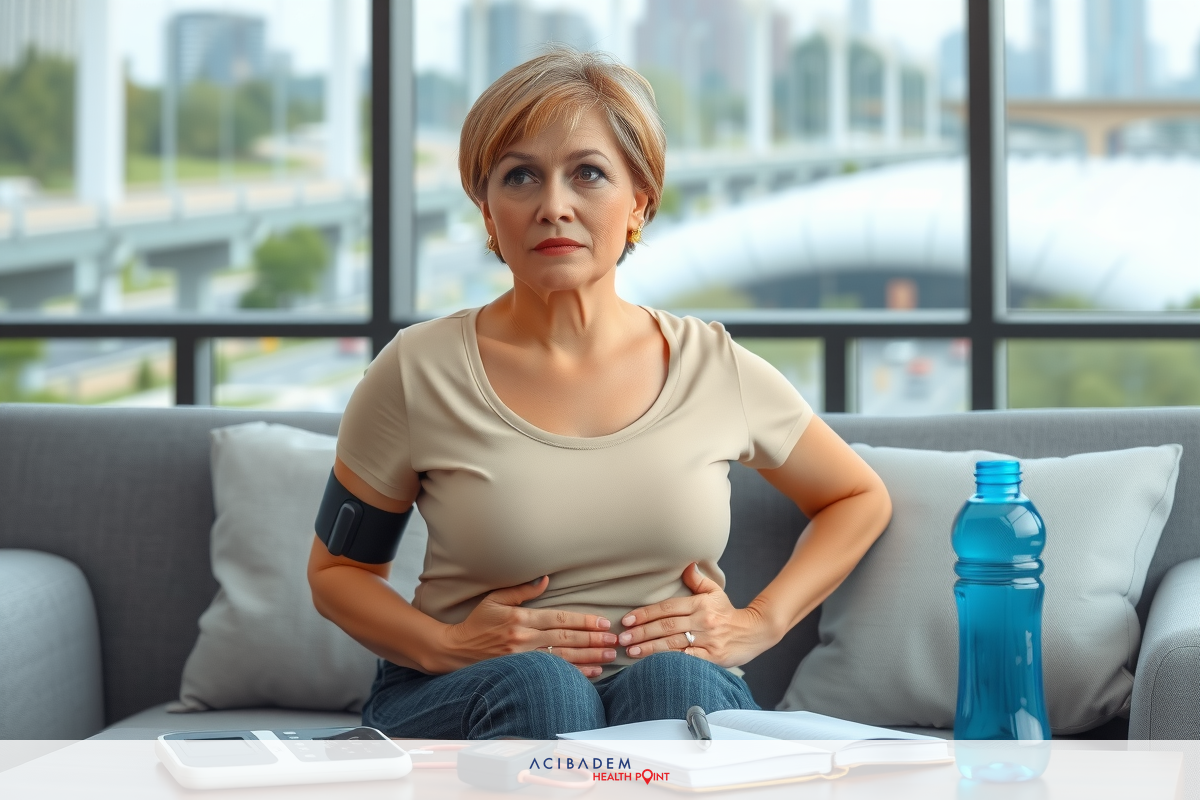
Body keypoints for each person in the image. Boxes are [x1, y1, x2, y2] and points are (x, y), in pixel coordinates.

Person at [307, 48, 892, 740]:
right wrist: (450, 646)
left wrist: (758, 622)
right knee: (544, 689)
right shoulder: (417, 370)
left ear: (638, 200)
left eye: (587, 173)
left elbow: (858, 497)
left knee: (673, 683)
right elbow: (339, 572)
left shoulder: (713, 366)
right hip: (462, 691)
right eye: (520, 176)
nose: (554, 206)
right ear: (488, 211)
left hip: (678, 681)